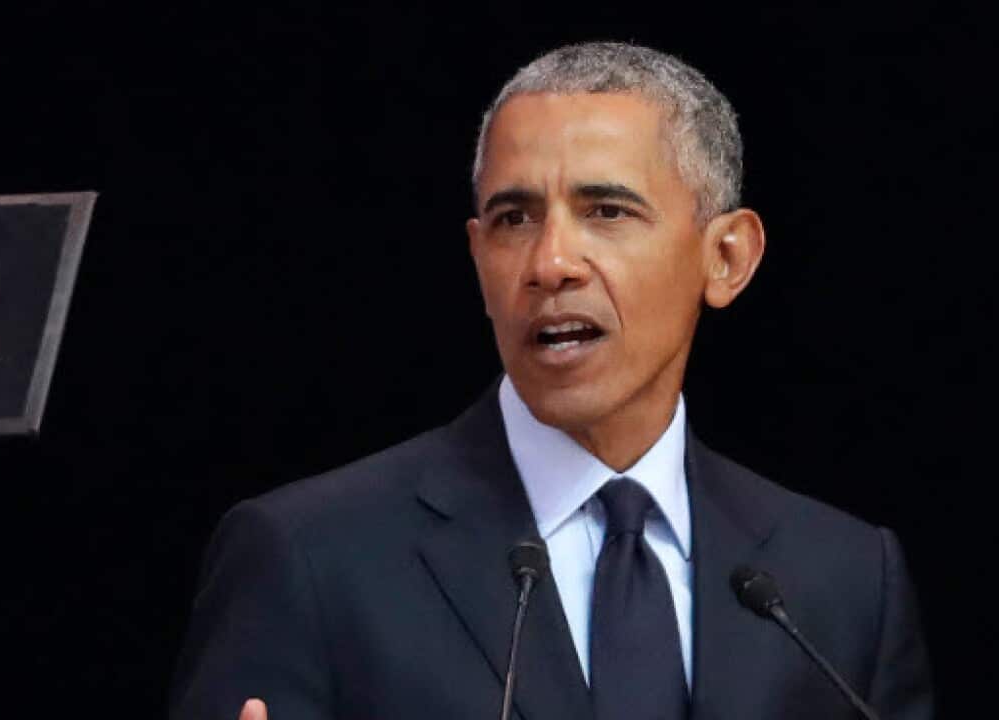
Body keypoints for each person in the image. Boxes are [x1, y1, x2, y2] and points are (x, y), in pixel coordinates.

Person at [169, 41, 934, 720]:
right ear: (477, 259)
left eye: (606, 210)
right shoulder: (308, 558)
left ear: (726, 257)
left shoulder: (843, 582)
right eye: (513, 219)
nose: (550, 263)